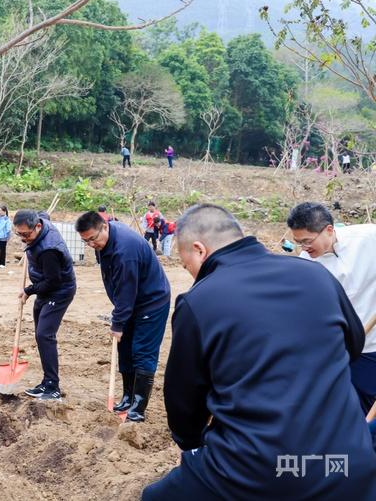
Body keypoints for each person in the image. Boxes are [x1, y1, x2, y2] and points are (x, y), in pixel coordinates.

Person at [143, 204, 376, 500]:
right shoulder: (315, 274)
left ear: (199, 250)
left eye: (185, 262)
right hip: (348, 465)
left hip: (260, 469)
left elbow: (184, 404)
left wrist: (191, 445)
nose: (189, 273)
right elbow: (354, 345)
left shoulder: (198, 301)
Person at [75, 212, 170, 422]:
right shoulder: (104, 241)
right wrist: (120, 316)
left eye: (93, 239)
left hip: (151, 302)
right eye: (85, 241)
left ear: (105, 227)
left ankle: (137, 407)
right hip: (129, 303)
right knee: (124, 349)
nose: (91, 245)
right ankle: (127, 397)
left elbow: (127, 291)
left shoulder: (125, 251)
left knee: (142, 352)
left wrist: (117, 322)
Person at [287, 202, 376, 414]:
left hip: (373, 341)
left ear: (329, 229)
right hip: (347, 348)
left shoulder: (368, 238)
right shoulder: (306, 265)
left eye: (307, 241)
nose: (304, 248)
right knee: (354, 408)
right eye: (298, 242)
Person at [14, 209, 76, 402]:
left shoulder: (49, 249)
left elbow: (53, 281)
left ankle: (52, 386)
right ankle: (47, 381)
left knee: (44, 334)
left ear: (38, 227)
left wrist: (29, 290)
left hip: (59, 291)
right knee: (41, 334)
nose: (24, 239)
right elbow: (44, 214)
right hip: (45, 288)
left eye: (27, 234)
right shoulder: (40, 225)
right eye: (19, 234)